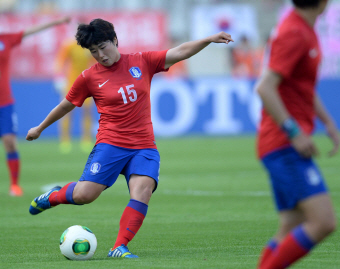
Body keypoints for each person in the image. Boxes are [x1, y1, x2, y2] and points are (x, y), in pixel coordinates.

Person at [26, 18, 233, 258]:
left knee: (142, 191)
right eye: (94, 52)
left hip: (144, 146)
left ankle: (119, 246)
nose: (100, 55)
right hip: (110, 144)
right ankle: (53, 196)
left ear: (115, 40)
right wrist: (40, 128)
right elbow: (66, 105)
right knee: (85, 195)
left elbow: (179, 52)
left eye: (103, 47)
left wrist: (208, 39)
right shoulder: (89, 77)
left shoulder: (141, 61)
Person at [254, 0, 340, 268]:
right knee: (324, 222)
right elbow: (265, 88)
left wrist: (327, 121)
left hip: (279, 143)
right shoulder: (295, 32)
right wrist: (294, 132)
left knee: (291, 224)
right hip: (283, 144)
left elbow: (300, 86)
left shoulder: (301, 26)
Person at [0, 16, 70, 197]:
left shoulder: (6, 39)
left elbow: (31, 31)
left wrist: (55, 21)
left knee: (10, 142)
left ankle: (14, 185)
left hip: (4, 102)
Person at [54, 37, 94, 154]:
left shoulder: (90, 46)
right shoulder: (69, 45)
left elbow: (96, 62)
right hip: (71, 83)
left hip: (87, 83)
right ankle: (65, 140)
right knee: (67, 111)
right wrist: (59, 77)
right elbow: (60, 61)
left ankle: (86, 139)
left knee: (87, 111)